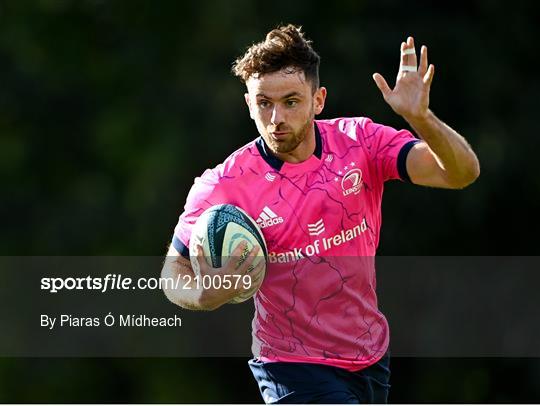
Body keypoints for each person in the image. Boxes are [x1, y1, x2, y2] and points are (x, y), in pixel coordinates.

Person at [161, 24, 479, 403]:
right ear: (249, 104)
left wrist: (422, 119)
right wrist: (205, 292)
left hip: (370, 354)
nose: (276, 117)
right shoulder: (224, 184)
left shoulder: (360, 143)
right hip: (290, 365)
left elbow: (461, 173)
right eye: (264, 103)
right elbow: (171, 274)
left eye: (291, 101)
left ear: (318, 100)